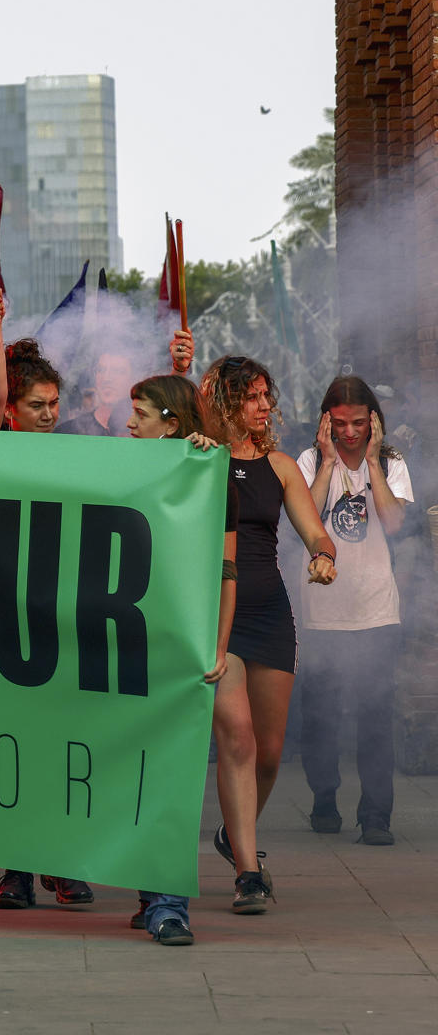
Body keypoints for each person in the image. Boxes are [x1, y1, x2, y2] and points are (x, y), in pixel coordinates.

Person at [0, 303, 97, 908]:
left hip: (60, 619)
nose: (51, 415)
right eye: (38, 406)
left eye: (54, 404)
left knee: (60, 741)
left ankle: (63, 859)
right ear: (11, 412)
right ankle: (16, 868)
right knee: (9, 747)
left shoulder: (76, 453)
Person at [198, 356, 336, 894]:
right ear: (227, 401)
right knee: (238, 739)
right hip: (218, 615)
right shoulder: (200, 456)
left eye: (265, 396)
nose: (264, 406)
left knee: (271, 752)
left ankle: (234, 832)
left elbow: (314, 531)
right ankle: (247, 870)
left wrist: (324, 555)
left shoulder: (280, 466)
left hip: (271, 613)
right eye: (252, 396)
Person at [124, 374, 248, 942]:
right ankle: (153, 894)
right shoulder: (117, 468)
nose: (130, 423)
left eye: (141, 413)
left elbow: (227, 572)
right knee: (138, 775)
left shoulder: (211, 476)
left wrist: (217, 647)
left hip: (180, 650)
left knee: (171, 773)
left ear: (170, 423)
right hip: (125, 647)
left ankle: (168, 905)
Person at [295, 375, 411, 845]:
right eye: (339, 424)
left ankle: (376, 814)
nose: (349, 433)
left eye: (359, 423)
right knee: (321, 714)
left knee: (375, 712)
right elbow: (307, 515)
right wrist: (326, 462)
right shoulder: (306, 460)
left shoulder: (391, 460)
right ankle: (324, 798)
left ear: (374, 422)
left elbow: (395, 522)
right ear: (326, 421)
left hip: (377, 608)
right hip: (323, 609)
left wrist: (373, 466)